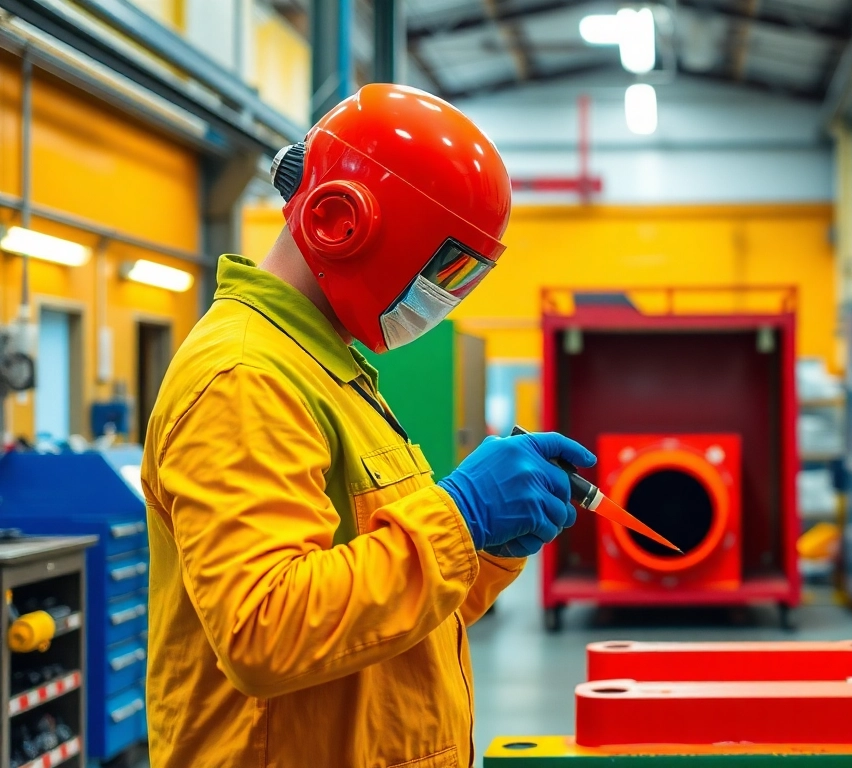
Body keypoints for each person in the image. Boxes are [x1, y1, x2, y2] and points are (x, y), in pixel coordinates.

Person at [140, 84, 589, 768]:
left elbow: (392, 621)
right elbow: (267, 630)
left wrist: (492, 549)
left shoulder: (330, 370)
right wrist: (461, 516)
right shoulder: (245, 375)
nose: (442, 294)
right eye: (446, 267)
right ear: (340, 220)